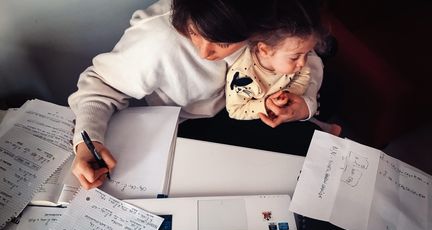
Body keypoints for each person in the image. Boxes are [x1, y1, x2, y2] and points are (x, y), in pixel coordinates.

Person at [68, 0, 325, 189]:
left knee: (314, 162)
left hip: (257, 103)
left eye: (223, 44)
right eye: (193, 33)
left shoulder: (270, 19)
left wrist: (305, 103)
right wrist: (86, 140)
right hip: (192, 125)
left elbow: (306, 55)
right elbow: (100, 86)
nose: (204, 54)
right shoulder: (155, 43)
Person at [225, 0, 341, 136]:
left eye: (307, 53)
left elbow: (304, 75)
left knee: (336, 89)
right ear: (265, 50)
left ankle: (319, 124)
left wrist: (290, 93)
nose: (303, 63)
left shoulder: (294, 56)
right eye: (295, 57)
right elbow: (235, 110)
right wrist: (266, 105)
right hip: (262, 112)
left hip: (290, 101)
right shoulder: (243, 77)